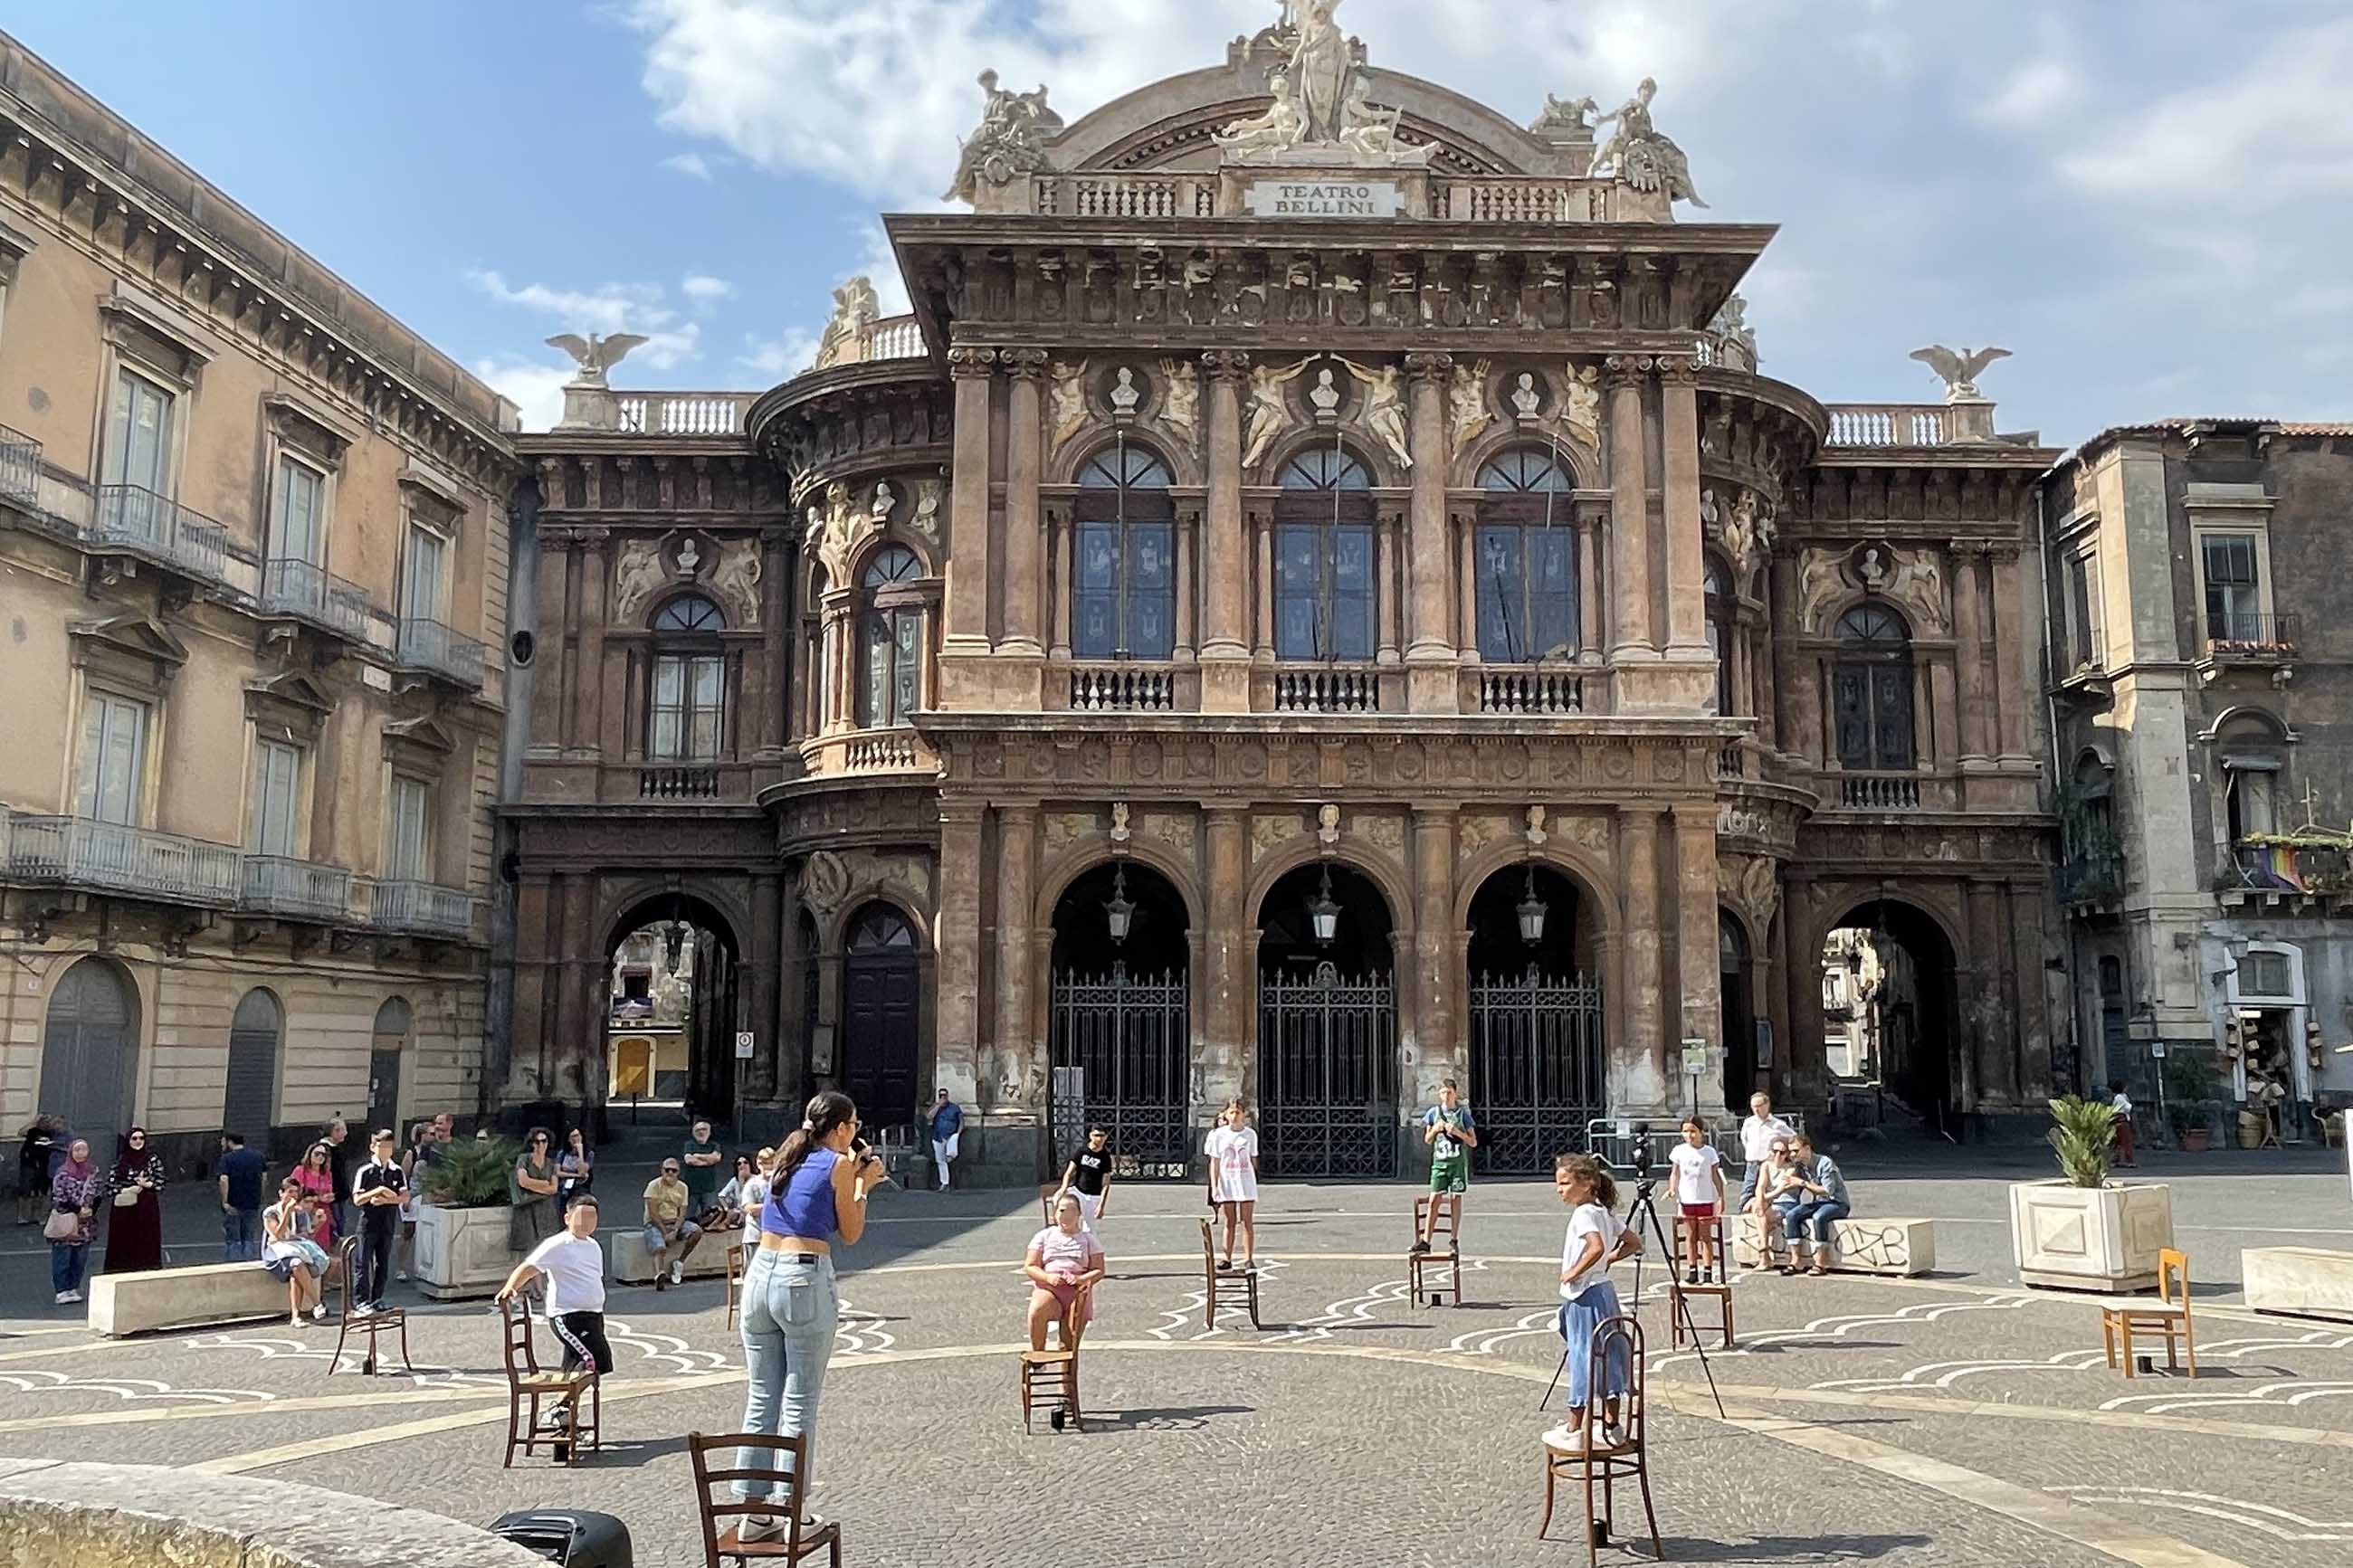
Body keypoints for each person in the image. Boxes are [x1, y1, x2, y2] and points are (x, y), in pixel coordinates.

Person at [735, 1091, 887, 1544]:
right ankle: (792, 1510)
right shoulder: (837, 1164)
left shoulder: (788, 1155)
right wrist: (866, 1185)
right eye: (854, 1126)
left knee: (761, 1398)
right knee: (799, 1401)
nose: (856, 1134)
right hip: (802, 1277)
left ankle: (754, 1511)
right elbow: (852, 1231)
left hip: (760, 1274)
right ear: (840, 1128)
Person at [496, 1192, 614, 1459]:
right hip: (568, 1317)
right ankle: (557, 1407)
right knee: (596, 1360)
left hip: (593, 1316)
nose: (587, 1222)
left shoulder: (594, 1246)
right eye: (582, 1217)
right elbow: (529, 1266)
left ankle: (566, 1419)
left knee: (578, 1371)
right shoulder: (558, 1244)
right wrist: (510, 1288)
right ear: (568, 1218)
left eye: (592, 1217)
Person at [1548, 1152, 1642, 1452]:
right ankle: (1612, 1425)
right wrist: (1610, 1260)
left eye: (1565, 1183)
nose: (1559, 1189)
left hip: (1584, 1294)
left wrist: (1572, 1272)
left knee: (1583, 1355)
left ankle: (1575, 1426)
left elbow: (1596, 1246)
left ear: (1587, 1183)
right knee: (1610, 1353)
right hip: (1605, 1291)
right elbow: (1634, 1242)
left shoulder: (1584, 1213)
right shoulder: (1603, 1212)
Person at [1024, 1191, 1107, 1351]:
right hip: (1050, 1289)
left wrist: (1081, 1280)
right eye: (1062, 1210)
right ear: (1055, 1213)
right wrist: (1047, 1277)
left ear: (1079, 1214)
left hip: (1076, 1292)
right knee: (1037, 1310)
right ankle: (1039, 1354)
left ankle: (1066, 1374)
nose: (1066, 1215)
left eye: (1072, 1211)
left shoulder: (1088, 1239)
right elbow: (1030, 1265)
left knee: (1067, 1346)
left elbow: (1099, 1270)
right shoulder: (1044, 1236)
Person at [1773, 1133, 1853, 1278]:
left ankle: (1821, 1262)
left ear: (1807, 1149)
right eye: (1790, 1151)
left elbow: (1827, 1191)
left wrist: (1802, 1183)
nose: (1792, 1154)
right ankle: (1796, 1261)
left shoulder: (1825, 1163)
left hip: (1837, 1203)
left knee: (1819, 1217)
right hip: (1819, 1202)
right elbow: (1785, 1179)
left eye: (1795, 1151)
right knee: (1792, 1215)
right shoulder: (1800, 1166)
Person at [1416, 1079, 1478, 1253]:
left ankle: (1454, 1238)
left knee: (1455, 1199)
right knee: (1434, 1199)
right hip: (1439, 1164)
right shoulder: (1433, 1113)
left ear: (1455, 1093)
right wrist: (1435, 1129)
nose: (1446, 1096)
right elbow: (1427, 1139)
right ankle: (1426, 1240)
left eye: (1449, 1092)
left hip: (1457, 1164)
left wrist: (1457, 1132)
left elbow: (1473, 1141)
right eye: (1443, 1092)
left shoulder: (1462, 1115)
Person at [261, 1176, 330, 1325]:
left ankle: (296, 1316)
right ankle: (317, 1303)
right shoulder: (270, 1212)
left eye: (296, 1192)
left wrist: (318, 1224)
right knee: (297, 1265)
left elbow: (306, 1237)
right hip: (276, 1253)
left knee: (297, 1268)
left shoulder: (300, 1213)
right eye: (290, 1192)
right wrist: (287, 1212)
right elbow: (277, 1235)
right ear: (281, 1193)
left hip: (296, 1251)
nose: (293, 1196)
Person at [350, 1128, 406, 1311]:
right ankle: (361, 1301)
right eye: (381, 1147)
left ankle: (377, 1298)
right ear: (373, 1147)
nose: (385, 1151)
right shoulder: (365, 1171)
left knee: (383, 1262)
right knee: (363, 1262)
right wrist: (378, 1190)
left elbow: (404, 1198)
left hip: (387, 1222)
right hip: (368, 1223)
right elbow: (358, 1199)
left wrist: (385, 1200)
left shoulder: (396, 1171)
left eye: (389, 1147)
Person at [1666, 1116, 1727, 1284]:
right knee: (1690, 1236)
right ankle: (1692, 1271)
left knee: (1705, 1237)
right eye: (1685, 1131)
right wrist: (1672, 1188)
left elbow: (1715, 1175)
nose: (1689, 1135)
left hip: (1705, 1198)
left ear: (1701, 1132)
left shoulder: (1709, 1152)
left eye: (1693, 1131)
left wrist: (1721, 1197)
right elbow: (1675, 1173)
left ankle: (1708, 1272)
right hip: (1687, 1199)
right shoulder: (1679, 1151)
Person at [1204, 1098, 1259, 1272]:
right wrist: (1215, 1185)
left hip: (1244, 1180)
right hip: (1227, 1180)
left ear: (1244, 1115)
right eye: (1232, 1112)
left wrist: (1252, 1178)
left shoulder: (1250, 1134)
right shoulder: (1219, 1135)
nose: (1235, 1116)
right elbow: (1215, 1162)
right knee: (1229, 1220)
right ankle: (1227, 1257)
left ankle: (1248, 1257)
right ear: (1226, 1115)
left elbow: (1253, 1158)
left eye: (1238, 1112)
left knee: (1247, 1221)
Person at [102, 1126, 166, 1274]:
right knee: (123, 1238)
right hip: (125, 1208)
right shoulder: (122, 1160)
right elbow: (109, 1184)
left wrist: (147, 1184)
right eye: (134, 1138)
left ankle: (147, 1267)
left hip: (146, 1206)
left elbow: (161, 1181)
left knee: (147, 1237)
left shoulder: (152, 1159)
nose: (138, 1141)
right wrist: (126, 1189)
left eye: (141, 1138)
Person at [46, 1137, 101, 1305]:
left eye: (83, 1150)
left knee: (80, 1258)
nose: (80, 1153)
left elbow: (98, 1193)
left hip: (85, 1224)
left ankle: (73, 1287)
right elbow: (58, 1198)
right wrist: (77, 1209)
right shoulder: (63, 1173)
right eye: (77, 1150)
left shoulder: (93, 1171)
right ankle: (61, 1290)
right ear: (71, 1152)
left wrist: (91, 1209)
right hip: (66, 1220)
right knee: (63, 1256)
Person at [642, 1157, 704, 1288]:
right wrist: (665, 1232)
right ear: (662, 1171)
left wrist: (675, 1230)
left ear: (678, 1173)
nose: (670, 1173)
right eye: (667, 1170)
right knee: (659, 1246)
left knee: (696, 1231)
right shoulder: (653, 1186)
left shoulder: (683, 1187)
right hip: (655, 1223)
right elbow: (653, 1213)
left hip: (675, 1222)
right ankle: (659, 1274)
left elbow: (682, 1212)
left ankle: (680, 1262)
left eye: (673, 1170)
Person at [1747, 1136, 1800, 1272]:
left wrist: (1760, 1200)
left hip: (1786, 1203)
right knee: (1759, 1211)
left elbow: (1778, 1191)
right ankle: (1764, 1254)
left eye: (1782, 1153)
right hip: (1770, 1202)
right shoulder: (1765, 1165)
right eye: (1774, 1151)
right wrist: (1759, 1200)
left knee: (1759, 1213)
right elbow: (1760, 1186)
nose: (1777, 1155)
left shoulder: (1791, 1169)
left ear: (1787, 1154)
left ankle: (1763, 1254)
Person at [1737, 1091, 1796, 1214]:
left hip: (1768, 1163)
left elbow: (1794, 1139)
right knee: (1747, 1191)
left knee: (1766, 1191)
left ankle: (1765, 1213)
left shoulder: (1778, 1125)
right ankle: (1743, 1216)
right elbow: (1745, 1139)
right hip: (1752, 1163)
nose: (1756, 1110)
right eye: (1754, 1107)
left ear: (1767, 1105)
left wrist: (1782, 1154)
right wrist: (1751, 1152)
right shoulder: (1749, 1123)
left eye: (1759, 1106)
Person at [217, 1131, 269, 1264]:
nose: (222, 1145)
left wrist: (225, 1201)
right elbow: (264, 1178)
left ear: (229, 1142)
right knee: (249, 1236)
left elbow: (224, 1180)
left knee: (233, 1238)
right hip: (252, 1201)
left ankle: (233, 1267)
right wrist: (261, 1196)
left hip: (234, 1202)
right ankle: (249, 1265)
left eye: (223, 1142)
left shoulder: (227, 1159)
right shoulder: (258, 1156)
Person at [510, 1127, 561, 1255]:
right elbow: (523, 1181)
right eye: (537, 1142)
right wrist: (544, 1184)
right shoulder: (524, 1159)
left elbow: (554, 1188)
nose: (541, 1145)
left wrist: (533, 1186)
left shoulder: (550, 1163)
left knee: (548, 1248)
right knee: (530, 1251)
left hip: (546, 1210)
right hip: (527, 1208)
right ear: (532, 1143)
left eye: (544, 1141)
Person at [1056, 1126, 1114, 1234]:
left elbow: (1106, 1183)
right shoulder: (1082, 1151)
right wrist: (1064, 1187)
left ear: (1106, 1137)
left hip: (1093, 1196)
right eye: (1096, 1135)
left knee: (1090, 1230)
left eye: (1102, 1136)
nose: (1099, 1139)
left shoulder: (1105, 1157)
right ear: (1091, 1136)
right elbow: (1069, 1173)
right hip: (1077, 1191)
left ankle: (1088, 1249)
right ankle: (1060, 1225)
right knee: (1058, 1197)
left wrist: (1101, 1206)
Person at [395, 1122, 433, 1280]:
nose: (433, 1136)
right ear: (421, 1136)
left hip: (428, 1196)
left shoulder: (435, 1152)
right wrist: (405, 1197)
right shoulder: (412, 1153)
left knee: (427, 1232)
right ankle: (401, 1267)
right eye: (430, 1133)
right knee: (408, 1232)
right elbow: (403, 1176)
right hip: (413, 1195)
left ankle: (424, 1266)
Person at [292, 1141, 338, 1253]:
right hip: (305, 1212)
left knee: (323, 1247)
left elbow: (329, 1190)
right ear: (310, 1154)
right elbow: (295, 1193)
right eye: (317, 1154)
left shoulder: (327, 1174)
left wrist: (330, 1197)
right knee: (307, 1243)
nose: (320, 1157)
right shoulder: (300, 1171)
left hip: (323, 1214)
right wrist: (318, 1198)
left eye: (324, 1155)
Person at [17, 1114, 63, 1226]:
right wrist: (34, 1121)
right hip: (29, 1163)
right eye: (43, 1121)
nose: (45, 1123)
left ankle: (40, 1216)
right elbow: (21, 1132)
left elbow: (62, 1136)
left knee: (42, 1191)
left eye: (47, 1121)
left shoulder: (52, 1133)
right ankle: (24, 1216)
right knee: (26, 1189)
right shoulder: (33, 1131)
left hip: (44, 1164)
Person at [680, 1118, 724, 1214]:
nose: (701, 1132)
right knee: (689, 1216)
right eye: (698, 1130)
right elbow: (689, 1160)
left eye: (704, 1129)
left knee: (710, 1216)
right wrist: (708, 1162)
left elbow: (716, 1158)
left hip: (709, 1188)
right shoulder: (689, 1145)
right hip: (691, 1188)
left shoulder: (714, 1145)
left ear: (710, 1132)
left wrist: (698, 1156)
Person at [321, 1117, 355, 1244]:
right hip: (331, 1195)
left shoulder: (336, 1148)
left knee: (340, 1224)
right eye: (343, 1130)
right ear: (334, 1131)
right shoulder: (324, 1149)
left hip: (340, 1195)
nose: (345, 1133)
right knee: (334, 1226)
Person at [924, 1089, 963, 1192]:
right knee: (940, 1160)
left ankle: (953, 1182)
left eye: (944, 1096)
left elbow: (961, 1121)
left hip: (950, 1137)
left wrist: (957, 1134)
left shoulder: (954, 1108)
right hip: (938, 1137)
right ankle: (944, 1183)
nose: (943, 1098)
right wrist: (938, 1106)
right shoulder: (936, 1107)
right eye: (941, 1095)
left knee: (951, 1158)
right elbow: (929, 1116)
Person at [556, 1126, 596, 1210]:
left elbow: (582, 1172)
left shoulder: (589, 1154)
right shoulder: (562, 1154)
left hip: (581, 1187)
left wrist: (580, 1152)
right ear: (568, 1139)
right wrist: (575, 1175)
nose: (576, 1139)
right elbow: (558, 1172)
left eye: (578, 1136)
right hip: (565, 1187)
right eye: (573, 1136)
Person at [2110, 1084, 2138, 1168]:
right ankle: (2128, 1160)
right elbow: (2128, 1107)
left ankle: (2117, 1159)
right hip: (2122, 1119)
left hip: (2119, 1120)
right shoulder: (2120, 1097)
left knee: (2119, 1142)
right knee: (2126, 1141)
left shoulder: (2120, 1097)